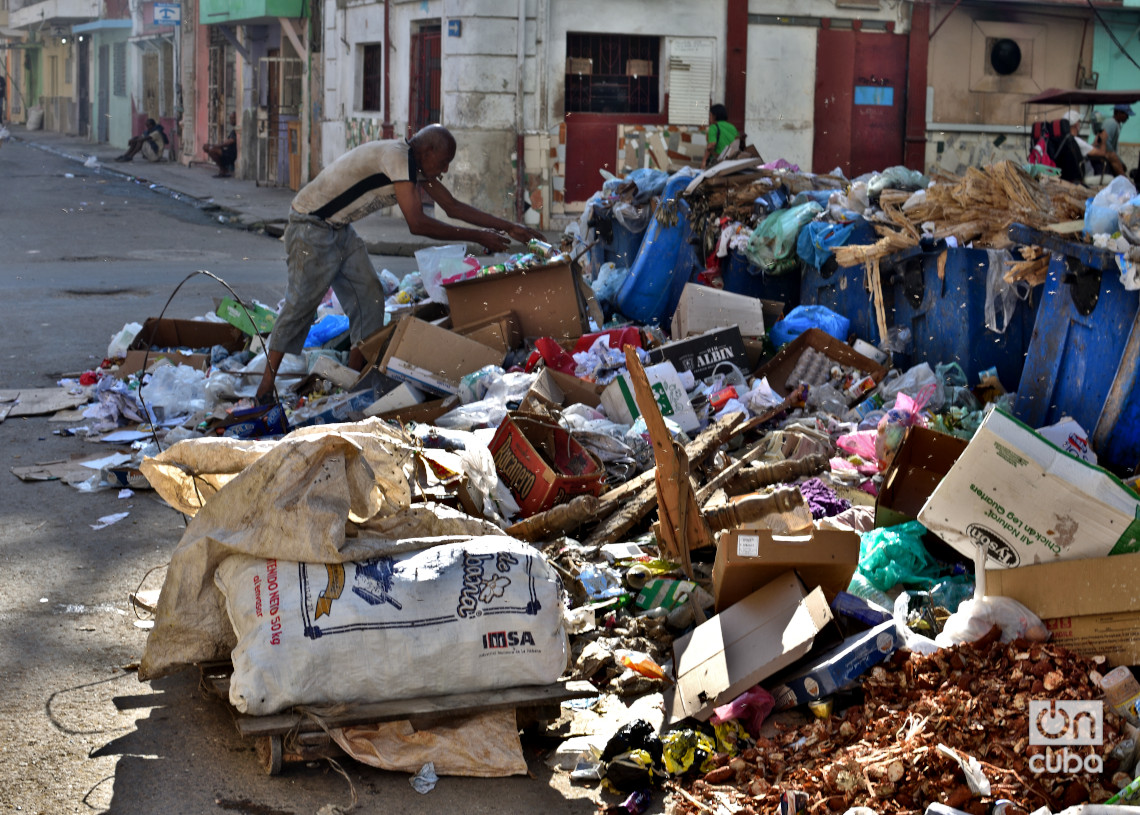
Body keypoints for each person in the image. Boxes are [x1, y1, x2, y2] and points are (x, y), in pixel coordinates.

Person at [254, 124, 547, 403]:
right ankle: (264, 390)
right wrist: (479, 236)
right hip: (310, 224)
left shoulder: (415, 164)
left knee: (369, 296)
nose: (445, 169)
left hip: (339, 228)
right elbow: (417, 223)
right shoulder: (398, 157)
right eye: (444, 162)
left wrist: (508, 227)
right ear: (427, 150)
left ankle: (351, 383)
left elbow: (452, 206)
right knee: (300, 307)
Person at [1089, 103, 1132, 177]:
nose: (1127, 117)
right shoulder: (1112, 123)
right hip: (1101, 160)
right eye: (1126, 114)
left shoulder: (1115, 124)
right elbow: (1106, 142)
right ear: (1118, 113)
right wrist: (1118, 160)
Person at [703, 104, 739, 169]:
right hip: (732, 161)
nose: (709, 117)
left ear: (714, 116)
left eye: (710, 115)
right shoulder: (732, 127)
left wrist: (704, 162)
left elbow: (711, 145)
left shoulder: (713, 127)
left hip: (717, 162)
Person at [204, 112, 238, 177]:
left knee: (212, 150)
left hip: (232, 154)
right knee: (206, 147)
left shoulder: (236, 131)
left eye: (232, 118)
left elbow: (229, 142)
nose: (230, 120)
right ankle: (222, 168)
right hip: (228, 151)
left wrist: (216, 146)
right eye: (230, 118)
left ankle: (223, 169)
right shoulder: (233, 130)